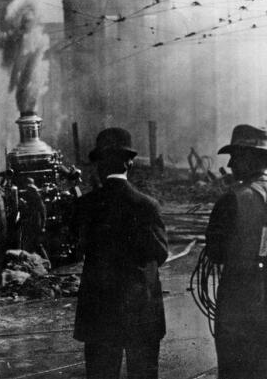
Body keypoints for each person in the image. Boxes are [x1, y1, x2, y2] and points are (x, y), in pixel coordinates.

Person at [206, 125, 267, 378]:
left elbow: (215, 253)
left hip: (240, 311)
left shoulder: (230, 200)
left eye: (236, 156)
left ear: (250, 158)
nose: (232, 164)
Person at [74, 128, 169, 379]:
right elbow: (161, 254)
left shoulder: (85, 205)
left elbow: (77, 248)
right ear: (130, 162)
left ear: (99, 165)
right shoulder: (148, 205)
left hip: (99, 311)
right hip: (141, 309)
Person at [16, 177, 47, 258]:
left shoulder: (36, 199)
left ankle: (46, 261)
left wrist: (43, 226)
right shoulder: (34, 199)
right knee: (33, 244)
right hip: (34, 223)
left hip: (36, 223)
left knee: (36, 244)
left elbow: (42, 212)